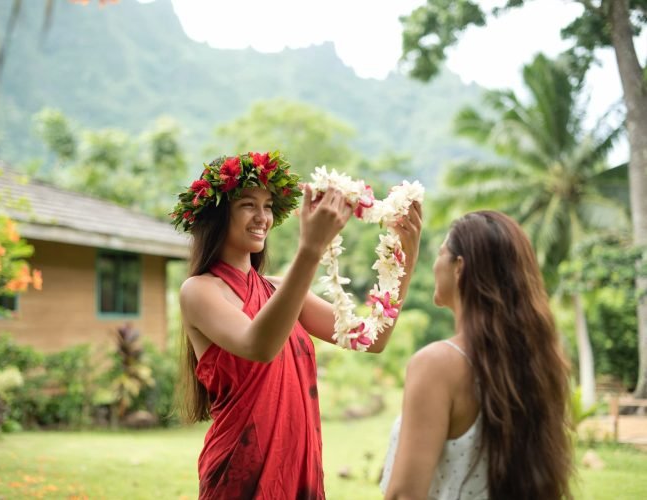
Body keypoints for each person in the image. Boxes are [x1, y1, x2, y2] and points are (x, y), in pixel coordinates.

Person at [172, 151, 423, 499]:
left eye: (268, 206)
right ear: (217, 215)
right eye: (248, 204)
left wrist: (406, 257)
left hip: (298, 468)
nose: (262, 217)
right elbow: (259, 345)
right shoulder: (198, 291)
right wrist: (311, 248)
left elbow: (371, 339)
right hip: (239, 472)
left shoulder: (279, 290)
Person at [381, 210, 574, 500]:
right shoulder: (538, 363)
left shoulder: (437, 365)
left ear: (460, 267)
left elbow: (404, 495)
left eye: (440, 252)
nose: (435, 265)